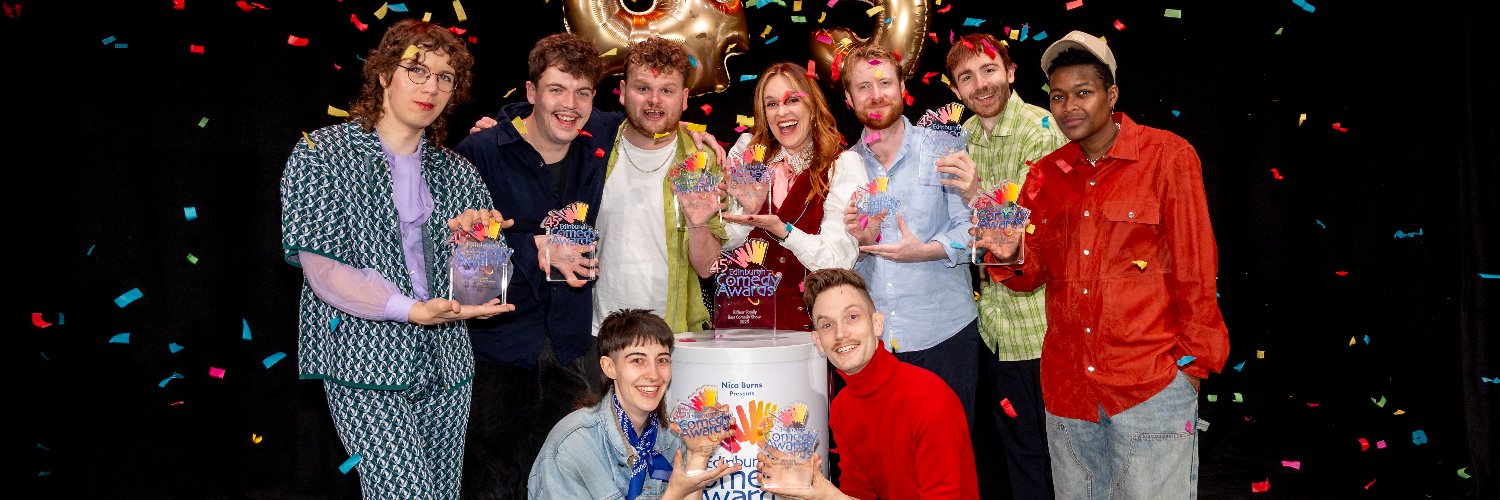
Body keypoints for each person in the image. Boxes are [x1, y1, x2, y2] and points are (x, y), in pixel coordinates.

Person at [983, 30, 1230, 498]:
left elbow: (1197, 269)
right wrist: (1007, 252)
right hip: (1068, 392)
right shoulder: (1043, 175)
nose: (1069, 106)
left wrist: (1190, 370)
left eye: (1083, 92)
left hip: (1150, 385)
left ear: (1111, 95)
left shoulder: (1168, 157)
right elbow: (1029, 275)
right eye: (1058, 96)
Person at [278, 19, 513, 498]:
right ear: (384, 74)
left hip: (447, 363)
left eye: (445, 78)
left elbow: (480, 288)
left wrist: (476, 250)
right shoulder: (321, 155)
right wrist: (409, 310)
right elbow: (324, 273)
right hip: (363, 363)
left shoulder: (458, 172)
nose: (432, 87)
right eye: (417, 70)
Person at [452, 33, 617, 499]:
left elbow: (654, 117)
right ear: (530, 93)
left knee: (561, 482)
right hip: (497, 351)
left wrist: (696, 139)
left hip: (570, 349)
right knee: (491, 481)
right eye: (557, 90)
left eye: (583, 92)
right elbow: (460, 265)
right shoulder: (479, 153)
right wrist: (532, 250)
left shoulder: (597, 141)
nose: (571, 105)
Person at [944, 33, 1068, 499]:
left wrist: (977, 195)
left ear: (1011, 72)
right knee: (1023, 461)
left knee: (1061, 458)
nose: (981, 84)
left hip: (1043, 330)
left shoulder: (1041, 129)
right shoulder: (967, 137)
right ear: (956, 91)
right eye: (967, 77)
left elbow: (1024, 236)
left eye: (989, 70)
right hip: (997, 330)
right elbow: (974, 239)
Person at [837, 42, 980, 424]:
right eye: (863, 86)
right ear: (849, 99)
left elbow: (973, 229)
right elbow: (839, 255)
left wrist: (927, 250)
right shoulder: (845, 168)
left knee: (948, 465)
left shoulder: (943, 147)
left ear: (902, 87)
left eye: (885, 82)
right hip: (875, 345)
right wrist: (861, 243)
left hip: (943, 336)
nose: (876, 95)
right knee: (889, 468)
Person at [758, 268, 979, 499]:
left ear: (877, 324)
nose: (840, 333)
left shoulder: (928, 398)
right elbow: (859, 493)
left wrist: (829, 496)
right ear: (818, 342)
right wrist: (807, 491)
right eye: (827, 325)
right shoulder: (843, 407)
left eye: (852, 317)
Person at [718, 61, 868, 332]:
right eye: (771, 104)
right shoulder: (748, 157)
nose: (782, 112)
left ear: (812, 106)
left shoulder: (842, 165)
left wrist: (785, 231)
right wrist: (747, 217)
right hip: (742, 325)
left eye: (793, 100)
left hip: (807, 333)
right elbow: (724, 245)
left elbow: (839, 260)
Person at [591, 37, 727, 335]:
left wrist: (698, 225)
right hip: (597, 333)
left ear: (685, 98)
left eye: (667, 90)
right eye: (643, 88)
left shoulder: (702, 160)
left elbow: (708, 268)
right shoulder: (593, 148)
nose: (654, 100)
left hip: (675, 332)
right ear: (623, 92)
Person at [528, 309, 740, 499]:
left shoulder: (672, 436)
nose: (654, 374)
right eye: (637, 360)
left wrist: (697, 457)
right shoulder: (574, 444)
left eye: (662, 360)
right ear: (609, 367)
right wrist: (674, 494)